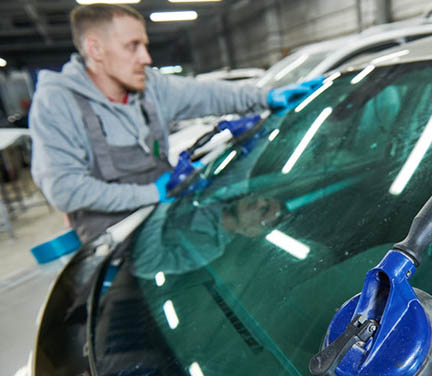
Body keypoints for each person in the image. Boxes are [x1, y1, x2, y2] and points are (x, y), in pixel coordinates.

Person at [29, 3, 321, 242]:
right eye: (132, 46)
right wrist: (152, 193)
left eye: (144, 45)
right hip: (112, 245)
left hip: (164, 224)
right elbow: (64, 189)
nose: (146, 57)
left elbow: (208, 94)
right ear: (95, 50)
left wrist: (266, 96)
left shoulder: (149, 87)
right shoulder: (57, 103)